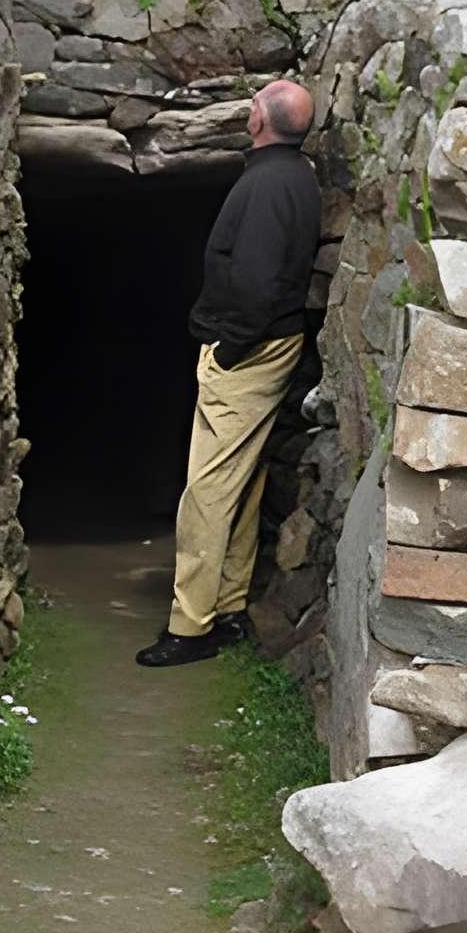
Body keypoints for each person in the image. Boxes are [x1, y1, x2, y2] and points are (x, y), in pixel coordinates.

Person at [135, 79, 321, 667]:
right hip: (274, 340)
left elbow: (259, 280)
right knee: (243, 479)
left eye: (253, 103)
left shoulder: (266, 185)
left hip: (250, 346)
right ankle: (229, 608)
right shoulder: (296, 177)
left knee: (208, 491)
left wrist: (230, 348)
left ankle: (190, 628)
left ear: (258, 119)